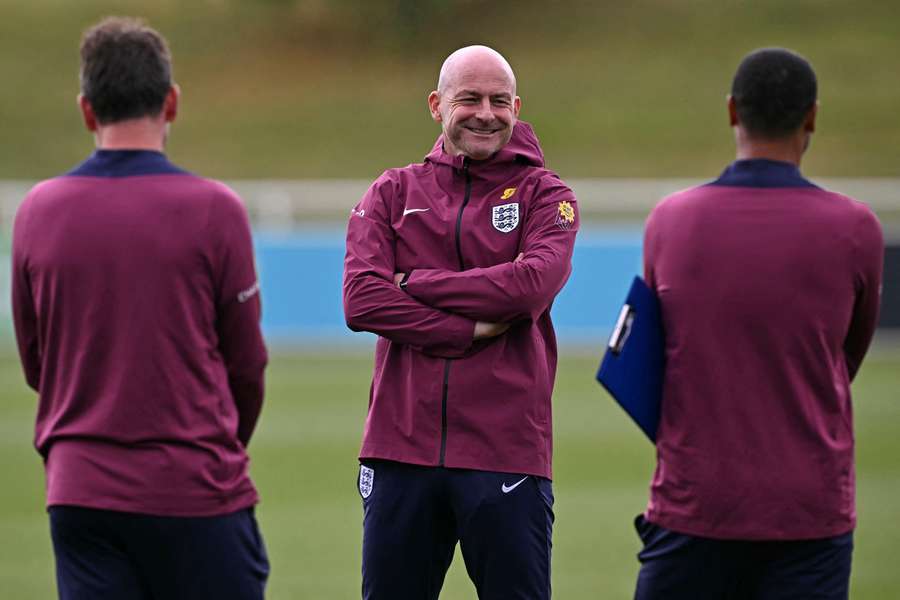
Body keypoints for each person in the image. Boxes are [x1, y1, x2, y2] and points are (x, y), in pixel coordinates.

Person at [10, 17, 269, 600]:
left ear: (86, 110)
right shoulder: (214, 210)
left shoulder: (37, 212)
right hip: (195, 487)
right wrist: (219, 445)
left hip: (80, 494)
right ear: (171, 102)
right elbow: (247, 365)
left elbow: (37, 364)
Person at [634, 48, 884, 599]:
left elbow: (651, 353)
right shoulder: (856, 229)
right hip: (809, 511)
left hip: (694, 505)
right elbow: (847, 359)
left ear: (732, 112)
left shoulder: (670, 221)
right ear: (812, 116)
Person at [342, 45, 578, 599]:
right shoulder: (392, 192)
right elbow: (361, 302)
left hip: (506, 452)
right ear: (436, 104)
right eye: (469, 98)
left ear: (517, 106)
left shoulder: (548, 196)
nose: (485, 113)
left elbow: (527, 290)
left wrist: (414, 283)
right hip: (399, 451)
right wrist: (463, 330)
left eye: (499, 101)